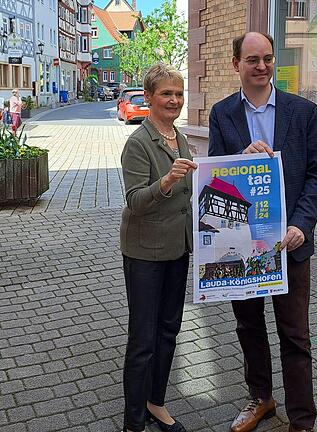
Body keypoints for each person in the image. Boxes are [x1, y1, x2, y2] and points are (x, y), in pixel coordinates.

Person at [208, 32, 317, 432]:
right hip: (243, 246)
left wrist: (301, 225)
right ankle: (260, 398)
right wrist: (235, 162)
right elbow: (214, 177)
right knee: (249, 327)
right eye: (252, 60)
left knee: (295, 335)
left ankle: (302, 420)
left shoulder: (304, 112)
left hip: (290, 243)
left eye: (268, 59)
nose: (262, 66)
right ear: (236, 65)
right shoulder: (222, 114)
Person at [119, 63, 197, 432]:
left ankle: (156, 402)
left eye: (179, 94)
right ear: (148, 97)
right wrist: (166, 180)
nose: (174, 100)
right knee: (143, 339)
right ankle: (133, 421)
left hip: (177, 249)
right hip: (145, 252)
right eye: (166, 93)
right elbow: (135, 200)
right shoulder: (138, 143)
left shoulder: (179, 137)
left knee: (169, 330)